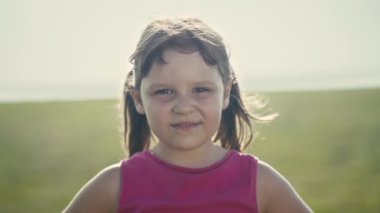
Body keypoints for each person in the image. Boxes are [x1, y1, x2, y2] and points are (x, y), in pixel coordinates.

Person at [63, 18, 312, 213]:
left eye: (200, 90)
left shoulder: (259, 182)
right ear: (138, 98)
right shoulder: (113, 186)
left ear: (225, 93)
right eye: (165, 91)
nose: (183, 106)